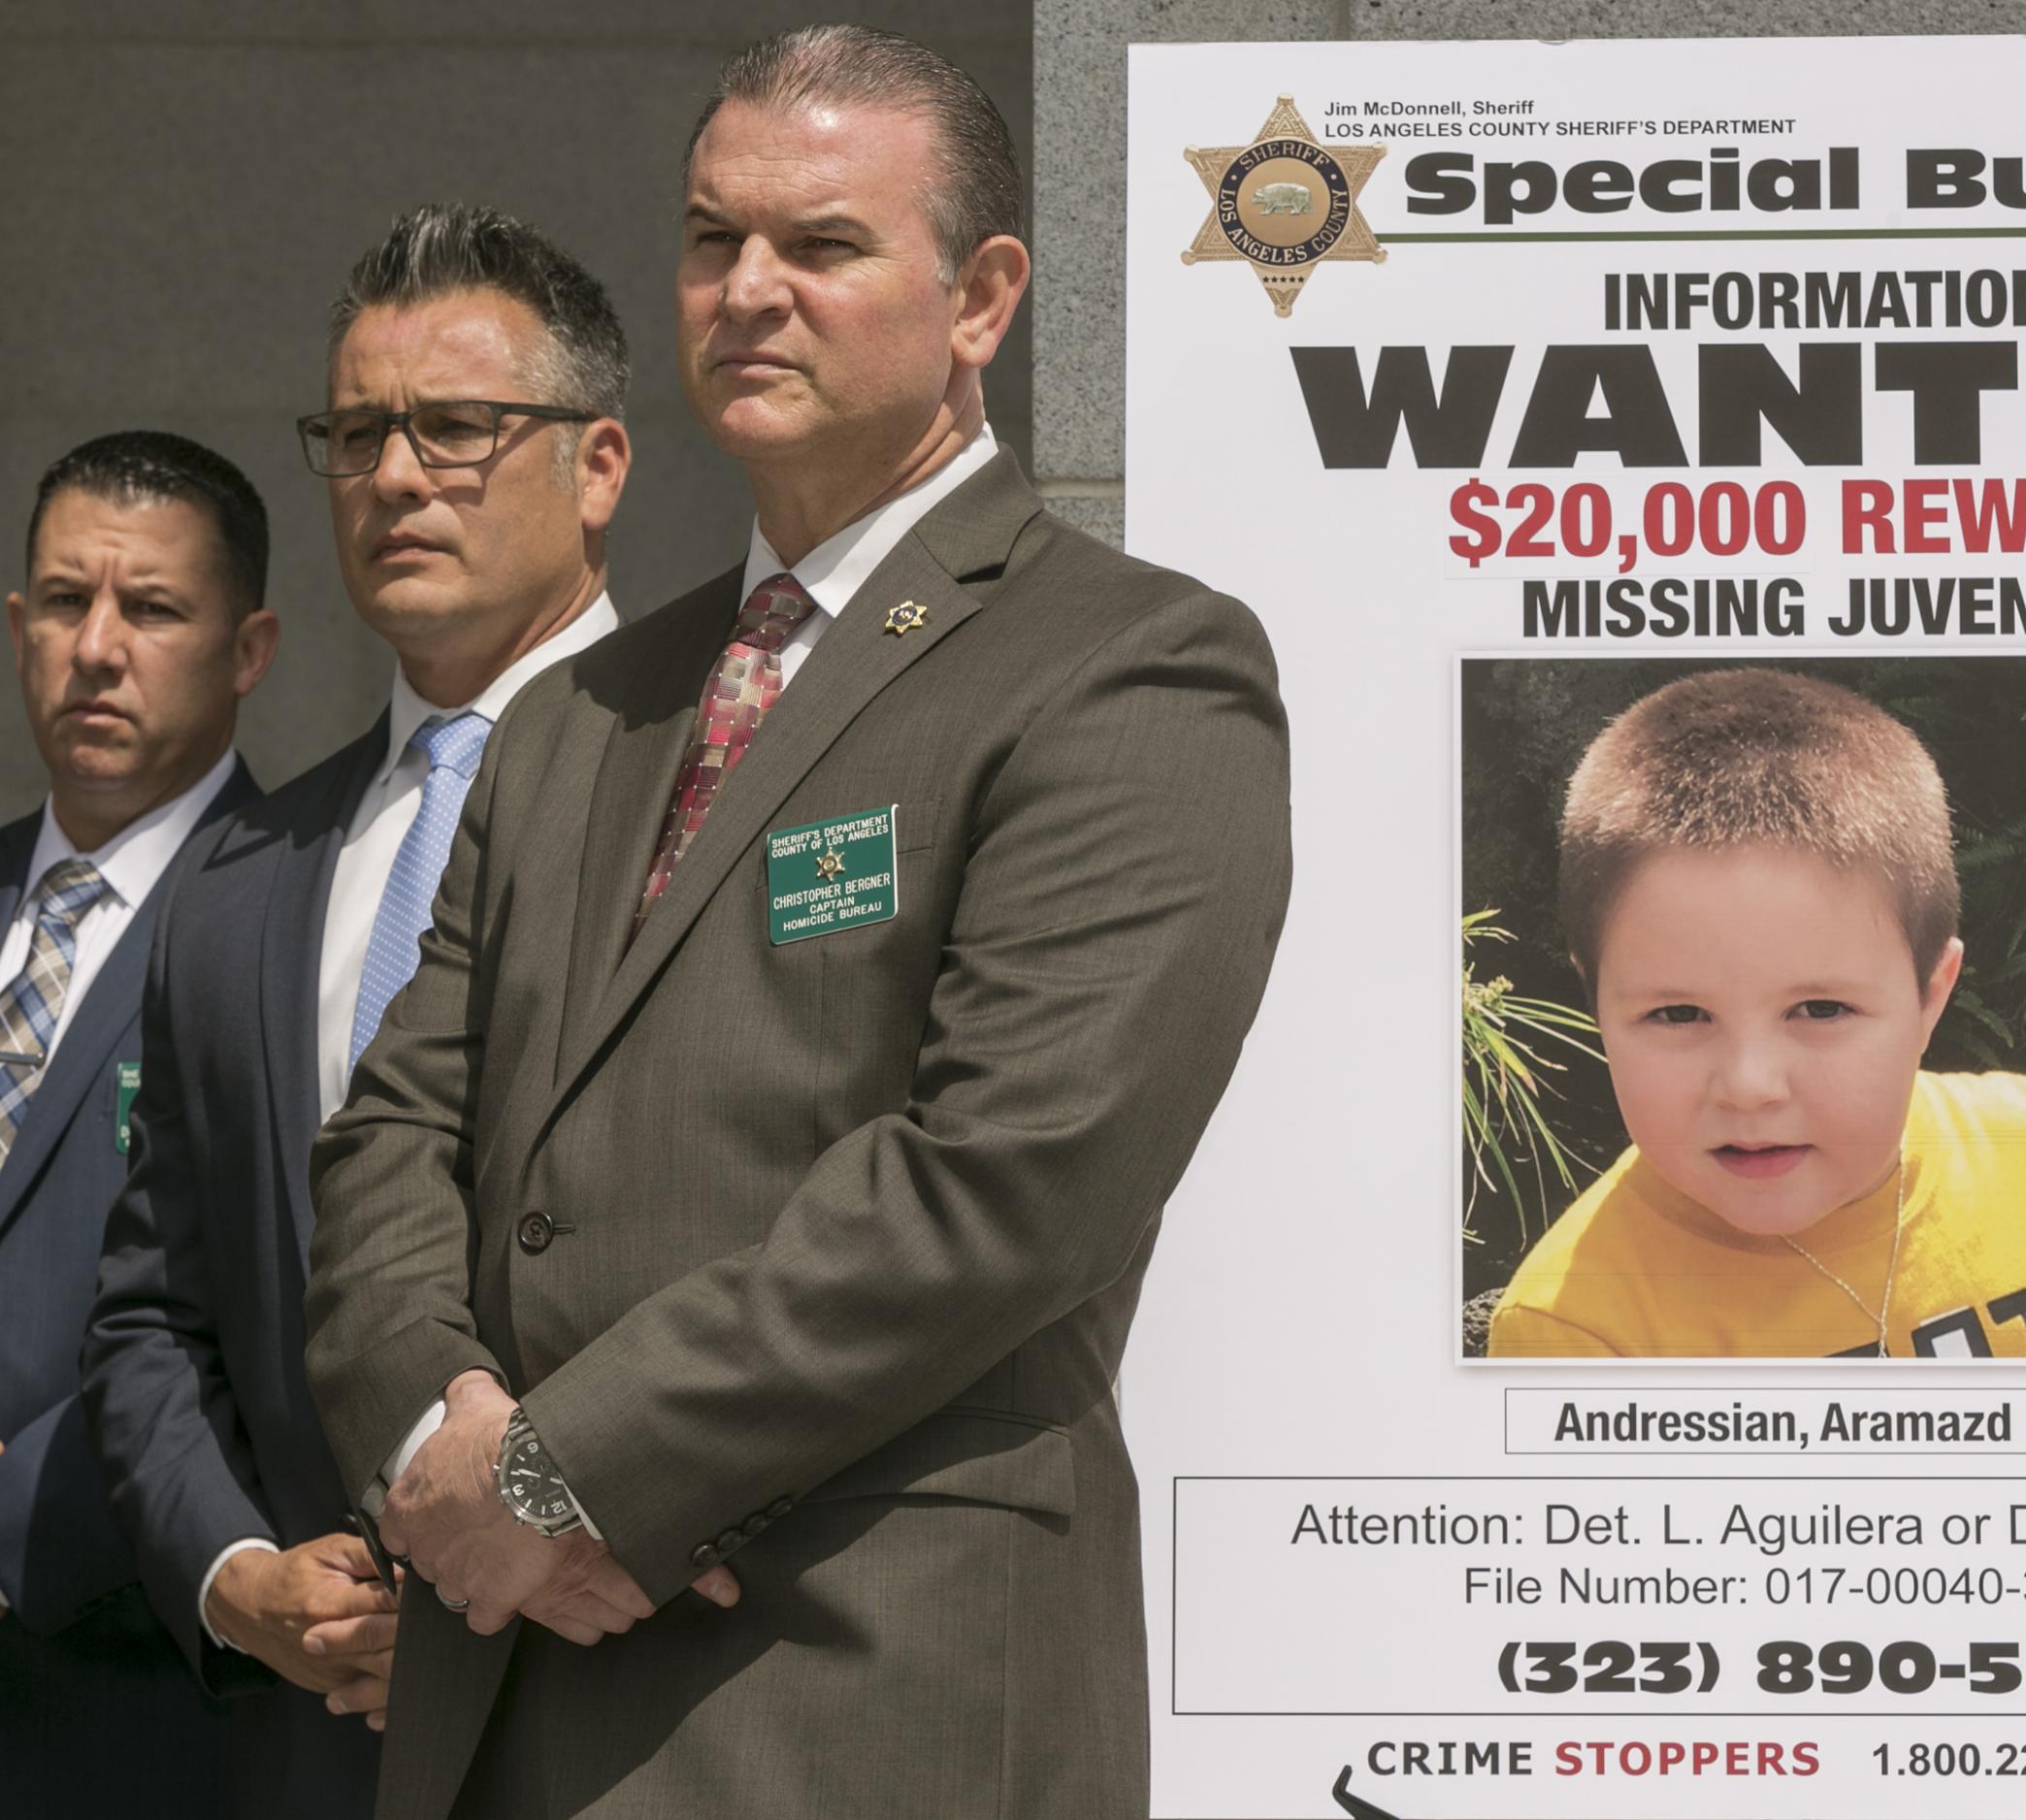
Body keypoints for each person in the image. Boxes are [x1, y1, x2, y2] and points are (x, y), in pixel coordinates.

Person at [302, 24, 1291, 1819]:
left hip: (858, 1690)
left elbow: (1008, 1179)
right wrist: (440, 1440)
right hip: (500, 1698)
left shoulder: (1128, 661)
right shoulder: (577, 715)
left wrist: (558, 1479)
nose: (748, 289)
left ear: (982, 297)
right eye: (710, 240)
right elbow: (392, 1137)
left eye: (820, 245)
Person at [81, 203, 634, 1820]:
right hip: (320, 1751)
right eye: (358, 433)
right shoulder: (240, 871)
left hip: (645, 1705)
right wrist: (239, 1571)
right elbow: (154, 1310)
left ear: (597, 464)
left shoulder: (734, 789)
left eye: (457, 429)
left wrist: (529, 1534)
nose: (396, 475)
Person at [1488, 666, 2026, 1360]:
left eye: (1820, 1008)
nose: (1750, 1086)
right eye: (1679, 1015)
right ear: (1596, 1000)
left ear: (1932, 995)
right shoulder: (1574, 1333)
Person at [0, 431, 274, 1818]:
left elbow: (264, 1312)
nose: (96, 647)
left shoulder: (299, 915)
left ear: (249, 650)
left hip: (126, 1704)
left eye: (152, 609)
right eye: (62, 602)